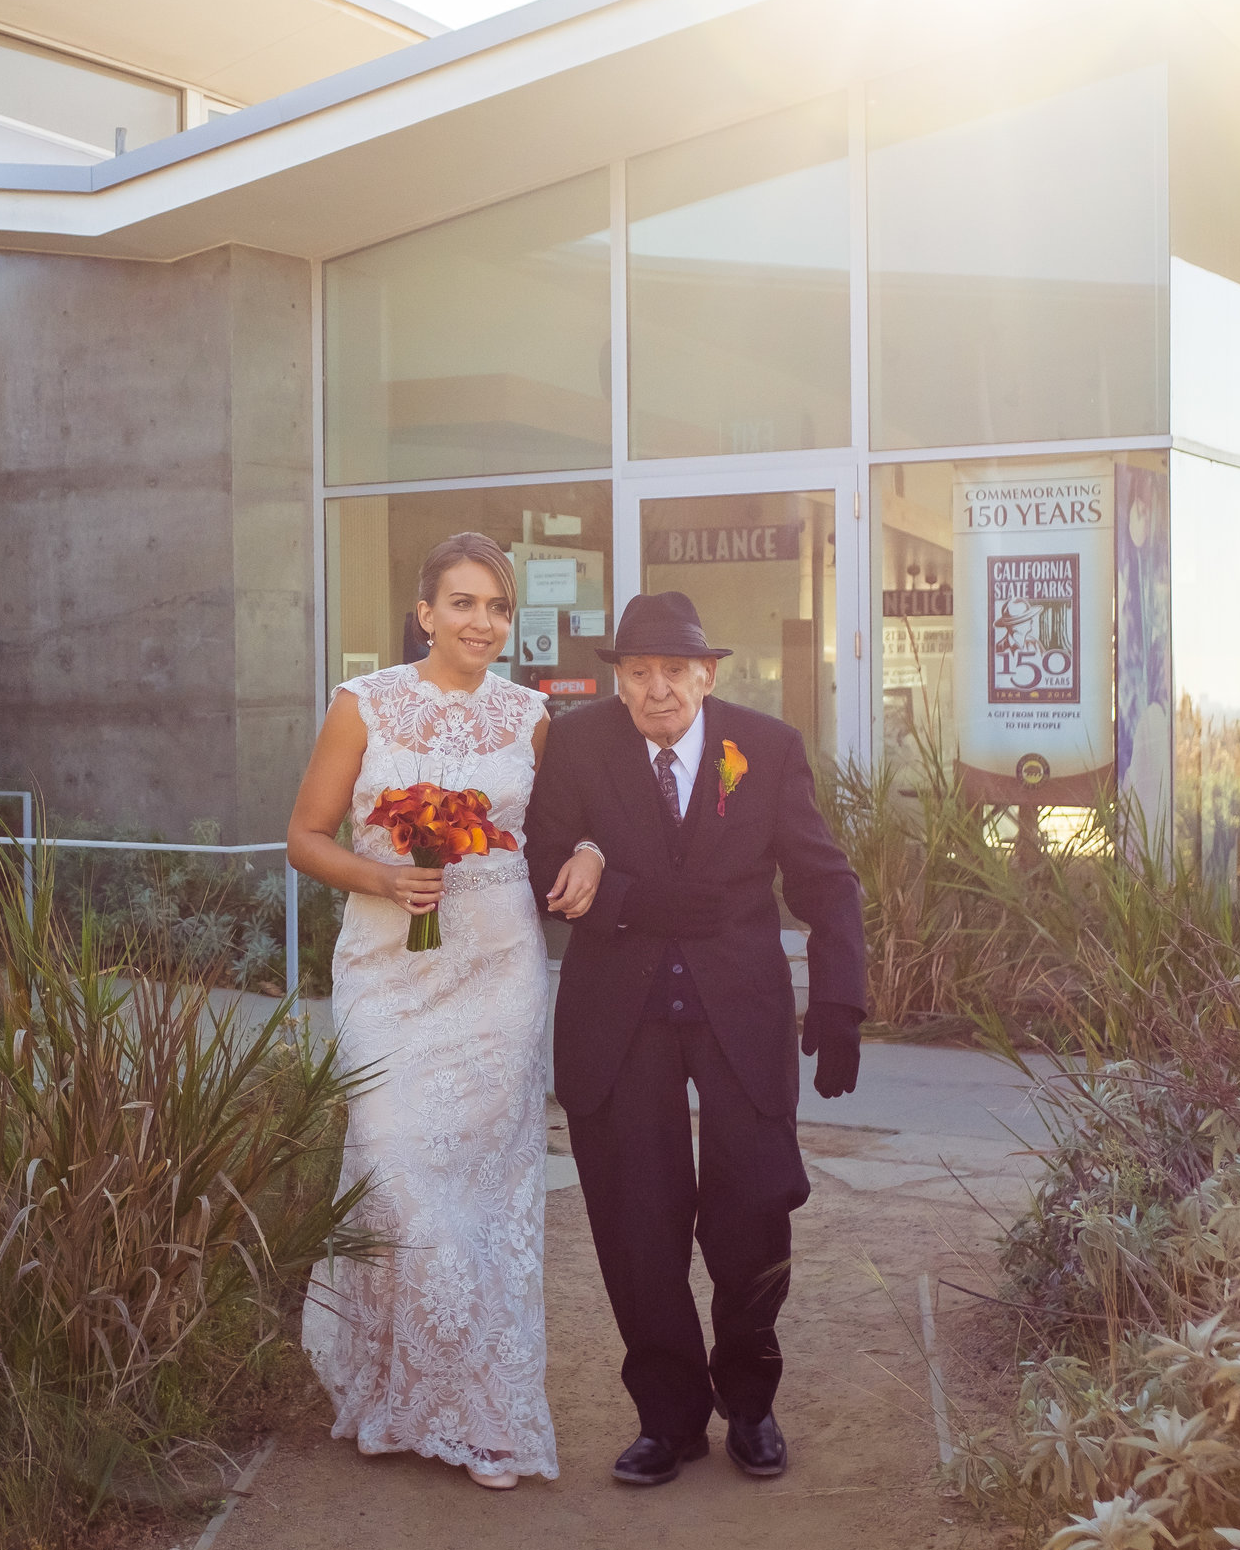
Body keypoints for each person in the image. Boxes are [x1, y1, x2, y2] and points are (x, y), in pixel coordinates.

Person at [522, 591, 867, 1487]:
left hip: (739, 1013)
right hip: (619, 1017)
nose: (657, 689)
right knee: (639, 1224)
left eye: (676, 670)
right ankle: (668, 1420)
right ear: (620, 679)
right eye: (638, 672)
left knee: (753, 1212)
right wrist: (634, 898)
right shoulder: (579, 742)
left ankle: (751, 1404)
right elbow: (541, 862)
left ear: (708, 674)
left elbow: (826, 882)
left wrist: (839, 1001)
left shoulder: (767, 746)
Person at [286, 532, 604, 1491]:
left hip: (500, 972)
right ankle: (396, 1385)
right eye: (462, 604)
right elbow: (304, 836)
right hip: (388, 974)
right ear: (425, 613)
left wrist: (589, 851)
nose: (482, 624)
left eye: (497, 608)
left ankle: (485, 1411)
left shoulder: (532, 715)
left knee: (487, 1192)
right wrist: (383, 875)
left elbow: (570, 821)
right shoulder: (365, 704)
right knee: (395, 1170)